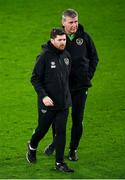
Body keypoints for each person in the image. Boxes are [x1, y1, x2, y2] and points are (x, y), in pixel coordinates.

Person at [44, 9, 99, 161]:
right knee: (58, 118)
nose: (74, 25)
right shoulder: (59, 38)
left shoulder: (85, 38)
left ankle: (73, 149)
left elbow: (94, 58)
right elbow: (47, 56)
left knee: (77, 119)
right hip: (62, 87)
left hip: (80, 86)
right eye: (71, 22)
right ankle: (56, 143)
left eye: (76, 22)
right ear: (63, 23)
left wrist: (88, 75)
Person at [26, 28, 74, 173]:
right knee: (42, 130)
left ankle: (59, 163)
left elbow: (66, 78)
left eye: (64, 40)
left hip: (63, 103)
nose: (62, 43)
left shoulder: (67, 56)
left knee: (61, 131)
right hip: (48, 103)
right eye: (59, 40)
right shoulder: (44, 56)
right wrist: (44, 96)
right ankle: (32, 146)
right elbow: (35, 79)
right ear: (52, 40)